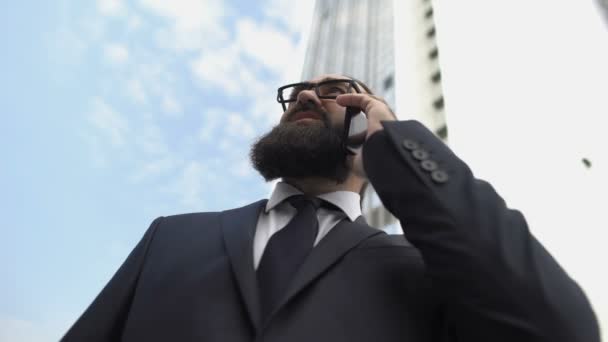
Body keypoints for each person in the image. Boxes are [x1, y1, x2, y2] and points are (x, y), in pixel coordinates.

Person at [62, 74, 600, 342]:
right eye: (297, 93)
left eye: (340, 92)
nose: (307, 97)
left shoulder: (421, 268)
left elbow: (559, 329)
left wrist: (397, 144)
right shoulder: (171, 237)